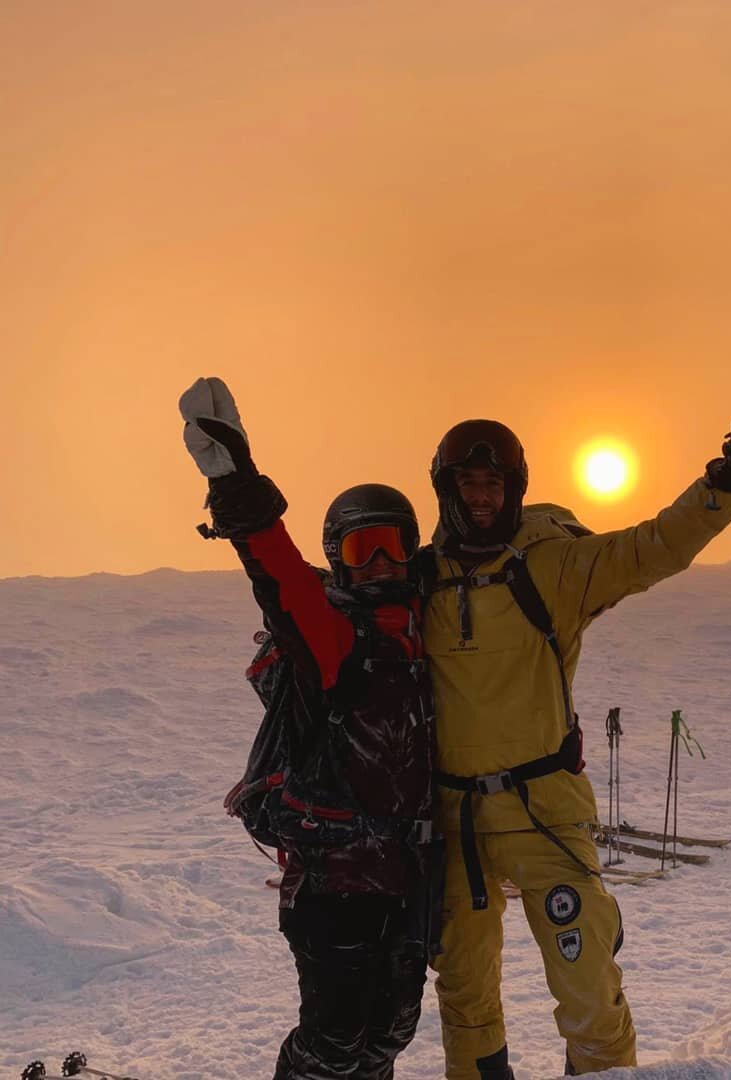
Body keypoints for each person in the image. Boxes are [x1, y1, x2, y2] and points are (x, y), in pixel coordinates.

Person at [421, 380, 731, 1080]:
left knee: (589, 993)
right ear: (445, 488)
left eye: (493, 484)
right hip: (453, 825)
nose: (481, 497)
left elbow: (653, 547)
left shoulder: (550, 567)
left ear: (515, 488)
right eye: (468, 483)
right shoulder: (423, 581)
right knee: (465, 1002)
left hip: (542, 814)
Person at [179, 376, 437, 1080]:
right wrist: (238, 485)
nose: (381, 564)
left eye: (393, 548)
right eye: (362, 551)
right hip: (334, 881)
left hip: (410, 878)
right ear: (338, 559)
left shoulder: (434, 637)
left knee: (389, 1035)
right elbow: (283, 580)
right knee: (333, 1042)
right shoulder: (332, 639)